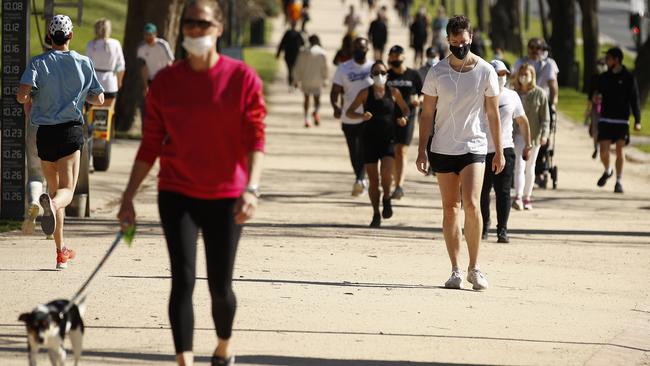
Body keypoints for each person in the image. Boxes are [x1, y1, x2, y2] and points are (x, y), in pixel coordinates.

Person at [117, 1, 266, 365]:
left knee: (220, 287)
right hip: (177, 192)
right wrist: (128, 197)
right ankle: (184, 359)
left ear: (218, 28)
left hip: (227, 196)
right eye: (189, 25)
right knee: (182, 281)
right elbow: (150, 142)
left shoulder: (242, 78)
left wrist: (252, 188)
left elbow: (256, 138)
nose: (195, 31)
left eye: (202, 23)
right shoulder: (167, 81)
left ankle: (223, 345)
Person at [416, 15, 504, 291]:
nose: (459, 47)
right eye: (454, 43)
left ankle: (474, 268)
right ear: (448, 41)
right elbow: (427, 113)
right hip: (442, 147)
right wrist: (421, 150)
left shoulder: (486, 71)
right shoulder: (437, 72)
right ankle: (455, 269)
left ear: (471, 38)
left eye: (463, 42)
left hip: (474, 146)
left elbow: (493, 114)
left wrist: (499, 151)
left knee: (472, 204)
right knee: (451, 208)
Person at [17, 14, 105, 269]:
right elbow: (98, 99)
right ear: (70, 36)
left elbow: (22, 95)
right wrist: (80, 95)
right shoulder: (83, 62)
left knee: (54, 187)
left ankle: (60, 253)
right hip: (70, 131)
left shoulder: (38, 63)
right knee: (66, 192)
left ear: (49, 37)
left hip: (45, 133)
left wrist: (30, 98)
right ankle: (52, 204)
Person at [346, 61, 409, 227]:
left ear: (387, 74)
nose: (379, 75)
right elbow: (349, 112)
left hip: (388, 140)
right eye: (375, 73)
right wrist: (361, 116)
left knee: (387, 175)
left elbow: (405, 109)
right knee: (373, 180)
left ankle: (387, 197)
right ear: (371, 75)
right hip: (369, 141)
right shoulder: (364, 93)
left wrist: (404, 119)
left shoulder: (394, 92)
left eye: (382, 72)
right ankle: (375, 213)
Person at [480, 60, 531, 243]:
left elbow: (522, 120)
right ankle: (484, 225)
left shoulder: (512, 96)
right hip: (481, 150)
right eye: (497, 74)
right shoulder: (479, 95)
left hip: (506, 149)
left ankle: (502, 229)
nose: (501, 78)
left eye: (504, 74)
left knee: (503, 192)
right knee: (482, 191)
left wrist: (528, 144)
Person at [593, 47, 642, 194]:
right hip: (606, 118)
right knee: (603, 152)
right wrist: (596, 99)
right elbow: (596, 95)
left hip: (622, 120)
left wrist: (637, 120)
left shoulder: (628, 78)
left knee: (620, 150)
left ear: (616, 60)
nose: (606, 61)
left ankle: (618, 181)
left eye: (608, 58)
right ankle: (608, 170)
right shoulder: (603, 77)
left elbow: (635, 100)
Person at [331, 37, 374, 196]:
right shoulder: (343, 68)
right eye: (356, 48)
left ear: (367, 49)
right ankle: (360, 178)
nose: (359, 51)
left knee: (364, 149)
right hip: (348, 116)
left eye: (362, 48)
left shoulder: (373, 67)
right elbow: (335, 91)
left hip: (368, 117)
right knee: (354, 151)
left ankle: (360, 179)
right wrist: (335, 106)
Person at [386, 45, 423, 199]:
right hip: (388, 117)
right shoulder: (385, 75)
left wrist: (418, 101)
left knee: (401, 150)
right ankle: (395, 180)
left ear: (403, 56)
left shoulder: (413, 75)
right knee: (392, 151)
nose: (394, 58)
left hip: (408, 117)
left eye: (397, 55)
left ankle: (399, 186)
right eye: (391, 56)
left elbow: (423, 94)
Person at [511, 63, 550, 210]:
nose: (523, 77)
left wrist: (544, 135)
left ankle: (527, 197)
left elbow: (545, 118)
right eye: (521, 74)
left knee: (530, 167)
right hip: (517, 135)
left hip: (534, 136)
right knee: (519, 165)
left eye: (526, 74)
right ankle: (518, 197)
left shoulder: (540, 94)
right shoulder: (513, 93)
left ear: (532, 76)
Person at [86, 18, 125, 105]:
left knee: (93, 114)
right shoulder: (115, 44)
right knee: (108, 114)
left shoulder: (91, 44)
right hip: (110, 84)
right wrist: (119, 81)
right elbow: (121, 65)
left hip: (94, 85)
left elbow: (87, 66)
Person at [294, 34, 328, 127]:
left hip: (306, 79)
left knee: (306, 99)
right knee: (317, 99)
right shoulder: (322, 53)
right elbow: (324, 68)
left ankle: (306, 119)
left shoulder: (303, 52)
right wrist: (325, 79)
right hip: (317, 80)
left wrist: (296, 80)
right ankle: (316, 112)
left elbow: (298, 67)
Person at [137, 23, 174, 95]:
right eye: (146, 34)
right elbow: (144, 67)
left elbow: (169, 63)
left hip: (163, 79)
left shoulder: (163, 45)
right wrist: (145, 86)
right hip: (151, 80)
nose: (148, 37)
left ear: (155, 34)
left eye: (150, 34)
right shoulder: (142, 48)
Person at [276, 20, 304, 89]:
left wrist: (278, 53)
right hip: (293, 55)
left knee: (291, 70)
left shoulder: (289, 33)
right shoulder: (297, 34)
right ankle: (293, 82)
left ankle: (292, 82)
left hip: (290, 55)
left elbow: (282, 44)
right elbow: (303, 43)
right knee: (293, 69)